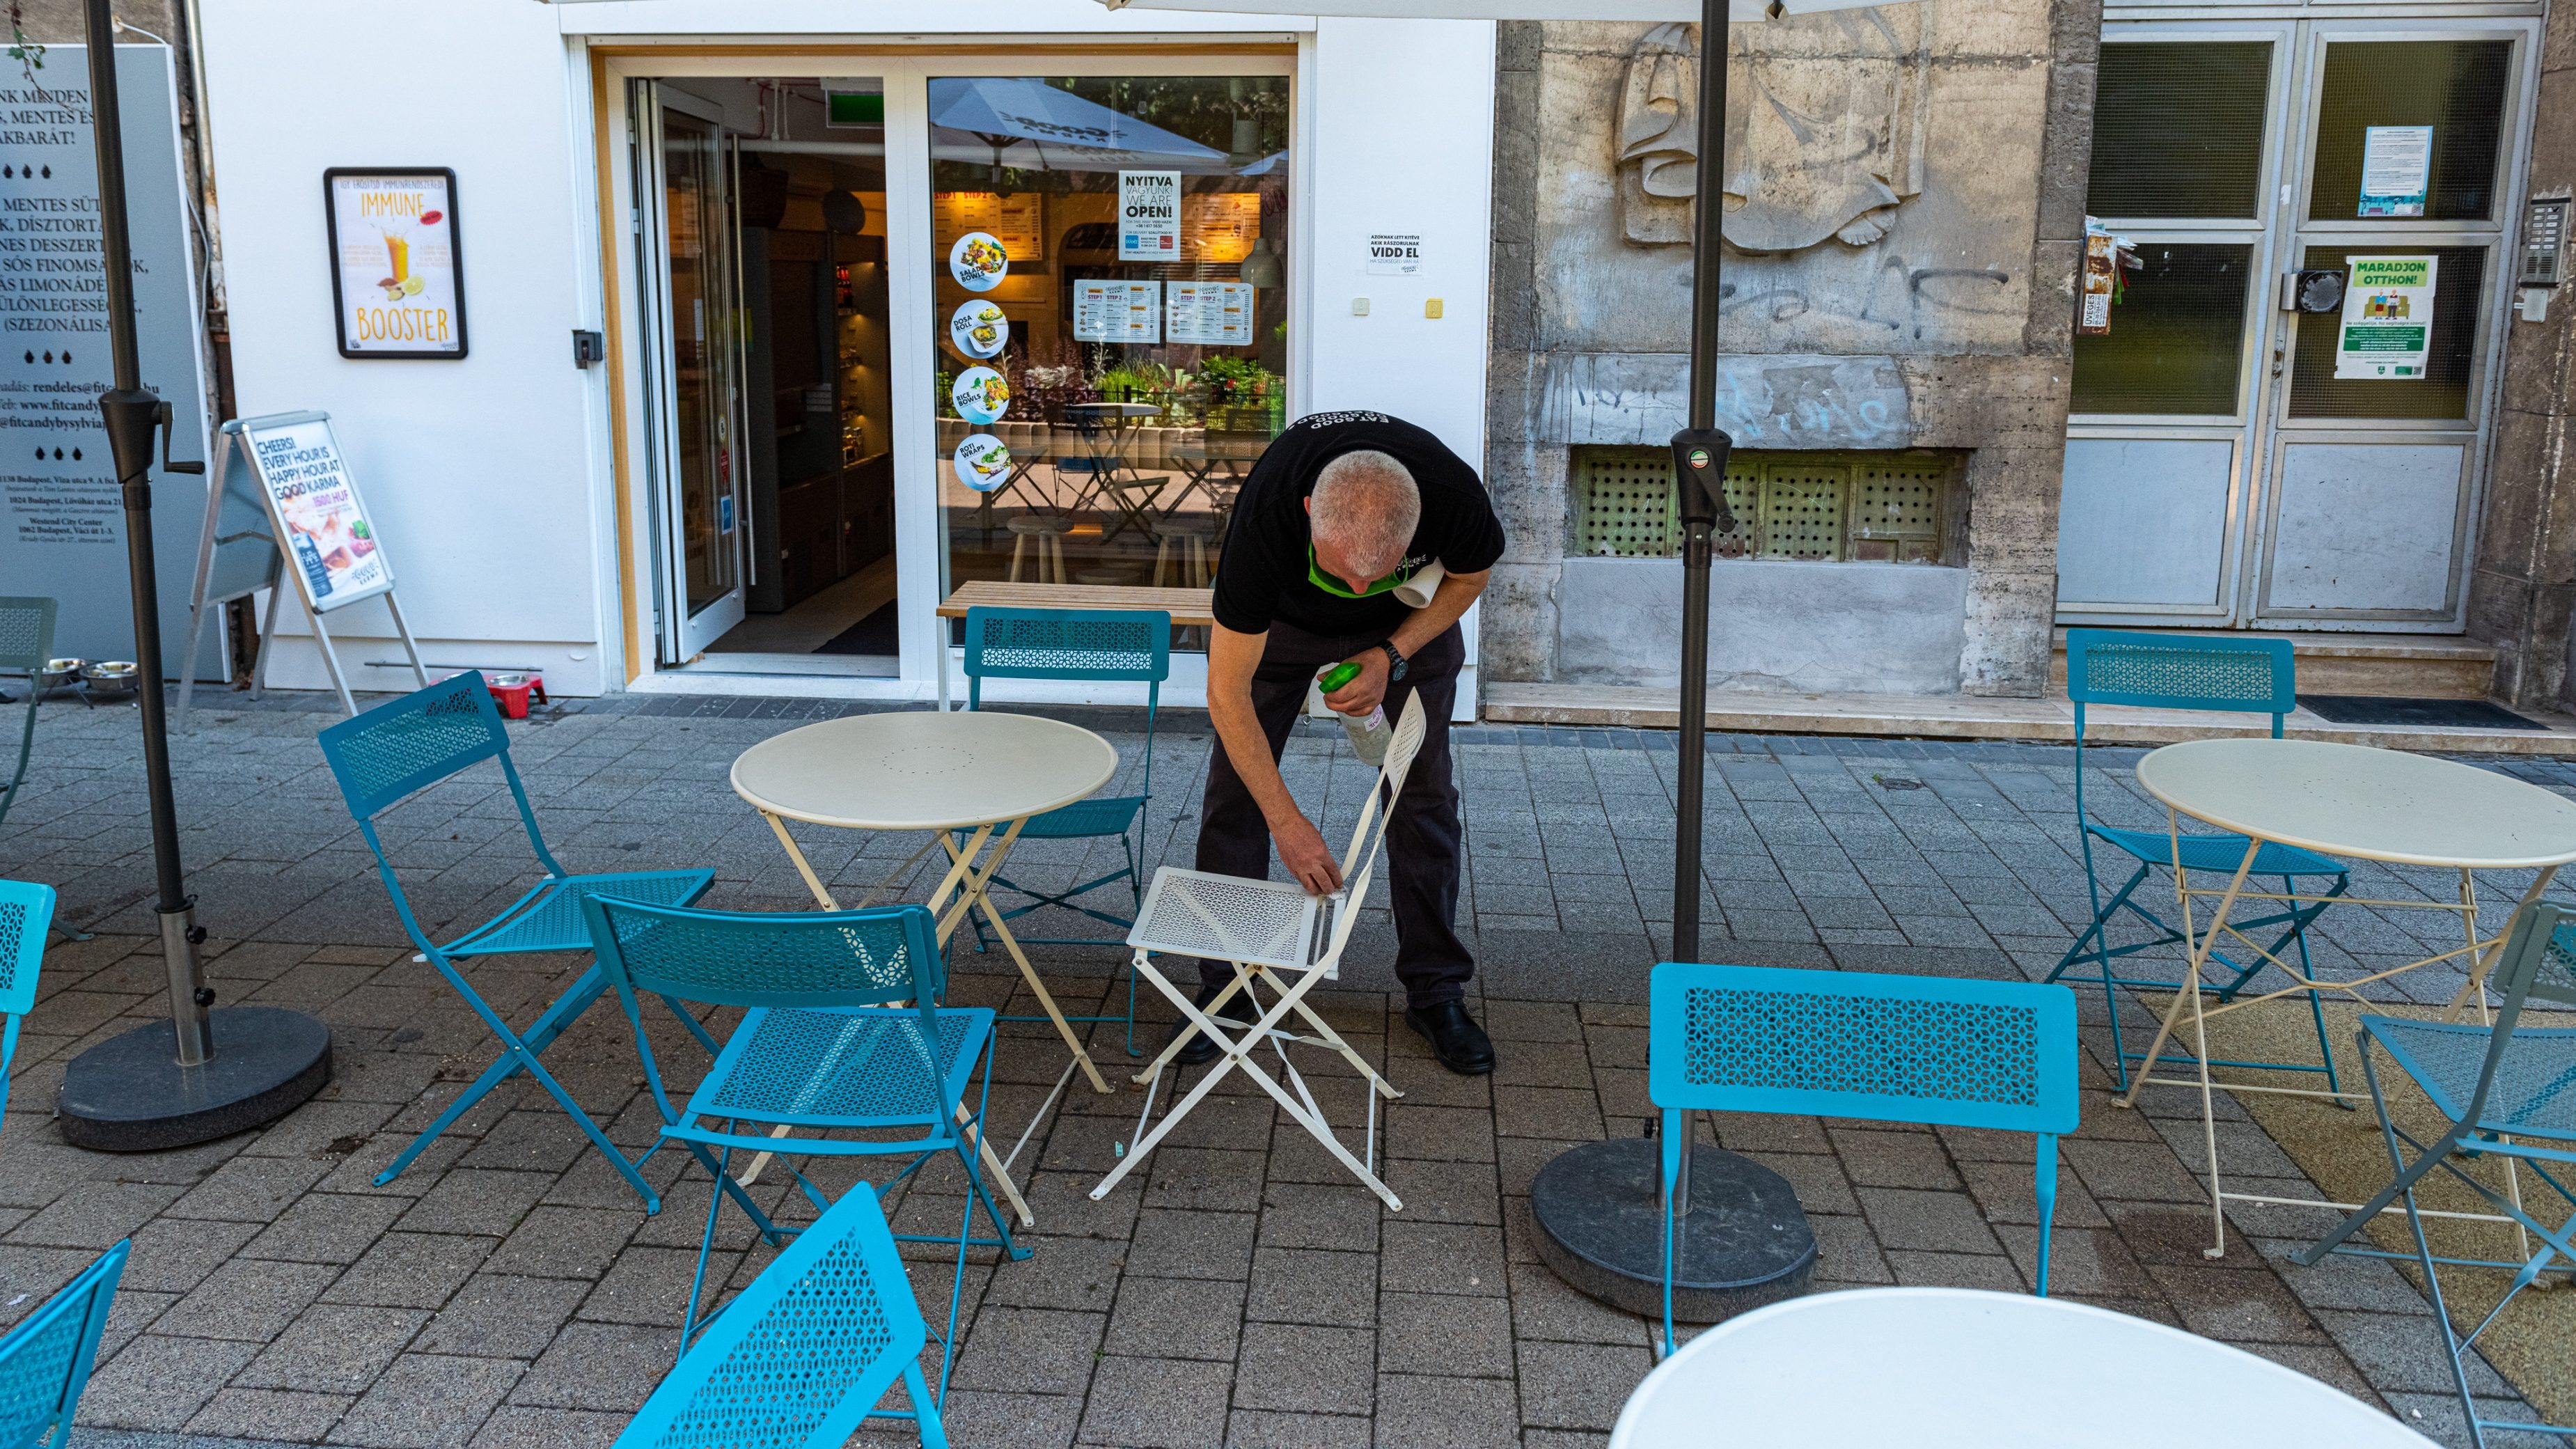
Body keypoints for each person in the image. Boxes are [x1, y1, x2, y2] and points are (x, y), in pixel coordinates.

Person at [1179, 409, 1504, 1074]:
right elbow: (1226, 693)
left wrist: (1392, 650)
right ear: (1307, 512)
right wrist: (1288, 821)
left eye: (1372, 572)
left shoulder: (1453, 496)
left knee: (1422, 793)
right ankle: (1227, 987)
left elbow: (1471, 577)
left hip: (1408, 622)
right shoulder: (1267, 517)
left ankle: (1435, 991)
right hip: (1283, 625)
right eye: (1342, 571)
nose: (1357, 589)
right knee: (1237, 791)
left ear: (1416, 529)